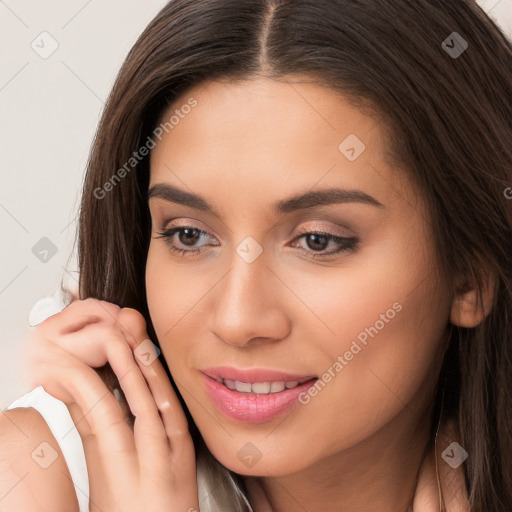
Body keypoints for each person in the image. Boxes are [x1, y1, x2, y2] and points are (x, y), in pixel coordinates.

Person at [1, 0, 511, 510]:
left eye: (317, 240)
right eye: (189, 235)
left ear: (469, 275)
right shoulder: (31, 474)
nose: (238, 321)